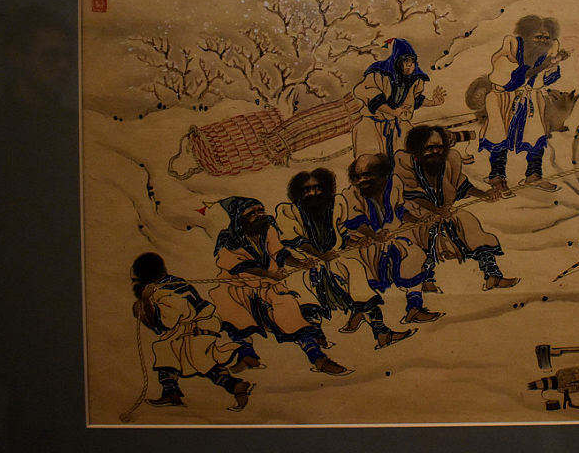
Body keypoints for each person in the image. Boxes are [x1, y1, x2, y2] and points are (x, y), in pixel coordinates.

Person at [209, 196, 352, 376]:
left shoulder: (267, 229)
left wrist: (300, 263)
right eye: (252, 213)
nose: (259, 215)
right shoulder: (227, 239)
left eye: (261, 210)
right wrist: (268, 274)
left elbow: (279, 253)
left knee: (288, 309)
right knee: (234, 316)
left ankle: (318, 358)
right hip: (235, 286)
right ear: (239, 218)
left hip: (268, 284)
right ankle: (247, 356)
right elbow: (239, 266)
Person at [276, 169, 415, 349]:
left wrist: (358, 242)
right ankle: (315, 339)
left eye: (317, 188)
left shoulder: (336, 204)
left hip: (334, 258)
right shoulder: (289, 211)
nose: (313, 193)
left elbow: (341, 235)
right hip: (306, 263)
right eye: (307, 190)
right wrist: (319, 256)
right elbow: (297, 241)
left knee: (355, 270)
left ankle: (382, 333)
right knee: (302, 290)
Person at [395, 125, 520, 293]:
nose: (436, 151)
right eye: (430, 148)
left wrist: (483, 194)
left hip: (445, 211)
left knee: (471, 227)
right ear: (418, 147)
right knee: (422, 241)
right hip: (416, 214)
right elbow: (412, 194)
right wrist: (436, 211)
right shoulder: (404, 162)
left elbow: (461, 185)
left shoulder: (448, 161)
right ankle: (426, 283)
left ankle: (493, 276)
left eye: (439, 147)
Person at [130, 252, 253, 411]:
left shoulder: (163, 292)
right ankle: (172, 394)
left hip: (196, 329)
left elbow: (164, 325)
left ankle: (236, 386)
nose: (134, 284)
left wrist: (146, 303)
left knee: (194, 360)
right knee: (173, 352)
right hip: (197, 326)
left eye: (136, 280)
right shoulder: (174, 281)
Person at [343, 154, 444, 324]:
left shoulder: (394, 184)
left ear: (381, 173)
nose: (362, 180)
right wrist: (374, 236)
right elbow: (356, 222)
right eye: (358, 176)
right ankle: (361, 315)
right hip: (364, 244)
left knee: (414, 255)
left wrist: (417, 220)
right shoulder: (351, 193)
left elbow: (399, 210)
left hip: (391, 239)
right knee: (361, 278)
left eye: (367, 175)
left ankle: (414, 309)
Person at [479, 15, 570, 193]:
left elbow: (547, 79)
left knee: (536, 135)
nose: (543, 41)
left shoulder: (549, 51)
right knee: (499, 135)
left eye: (546, 38)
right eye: (538, 37)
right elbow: (511, 79)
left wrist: (554, 64)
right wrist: (545, 65)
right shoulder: (511, 46)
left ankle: (534, 176)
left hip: (530, 99)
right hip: (503, 98)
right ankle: (497, 176)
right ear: (527, 35)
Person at [352, 38, 445, 162]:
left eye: (412, 61)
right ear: (397, 61)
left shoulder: (412, 81)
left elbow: (414, 100)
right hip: (373, 125)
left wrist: (433, 102)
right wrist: (392, 111)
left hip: (398, 125)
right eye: (405, 61)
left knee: (407, 156)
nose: (409, 65)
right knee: (372, 162)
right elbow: (372, 97)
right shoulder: (379, 74)